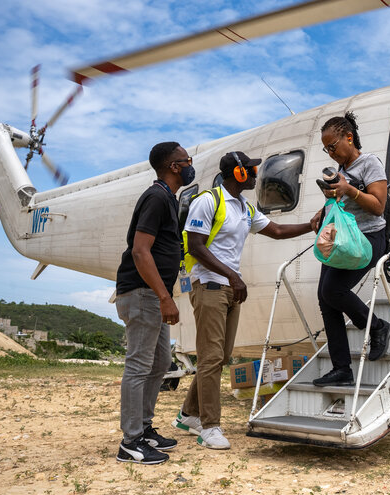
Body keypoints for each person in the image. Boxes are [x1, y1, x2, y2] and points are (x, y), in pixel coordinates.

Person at [172, 151, 312, 450]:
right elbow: (195, 246)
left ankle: (188, 414)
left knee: (219, 357)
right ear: (237, 173)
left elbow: (276, 230)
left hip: (230, 288)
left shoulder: (243, 207)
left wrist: (312, 225)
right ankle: (210, 427)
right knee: (211, 358)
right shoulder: (208, 201)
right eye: (250, 170)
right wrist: (232, 276)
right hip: (209, 286)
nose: (255, 175)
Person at [114, 141, 195, 465]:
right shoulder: (157, 197)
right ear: (174, 166)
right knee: (138, 365)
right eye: (187, 160)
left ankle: (144, 429)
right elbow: (139, 250)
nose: (190, 165)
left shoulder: (167, 199)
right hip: (143, 293)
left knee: (160, 363)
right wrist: (164, 296)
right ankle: (130, 442)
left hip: (153, 295)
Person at [310, 112, 390, 387]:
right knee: (325, 299)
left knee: (333, 290)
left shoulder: (369, 163)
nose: (331, 153)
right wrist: (322, 211)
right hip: (343, 239)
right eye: (327, 149)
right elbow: (342, 202)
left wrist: (349, 189)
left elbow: (378, 206)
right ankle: (342, 369)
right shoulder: (341, 172)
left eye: (333, 146)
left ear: (349, 137)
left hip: (368, 239)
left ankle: (377, 327)